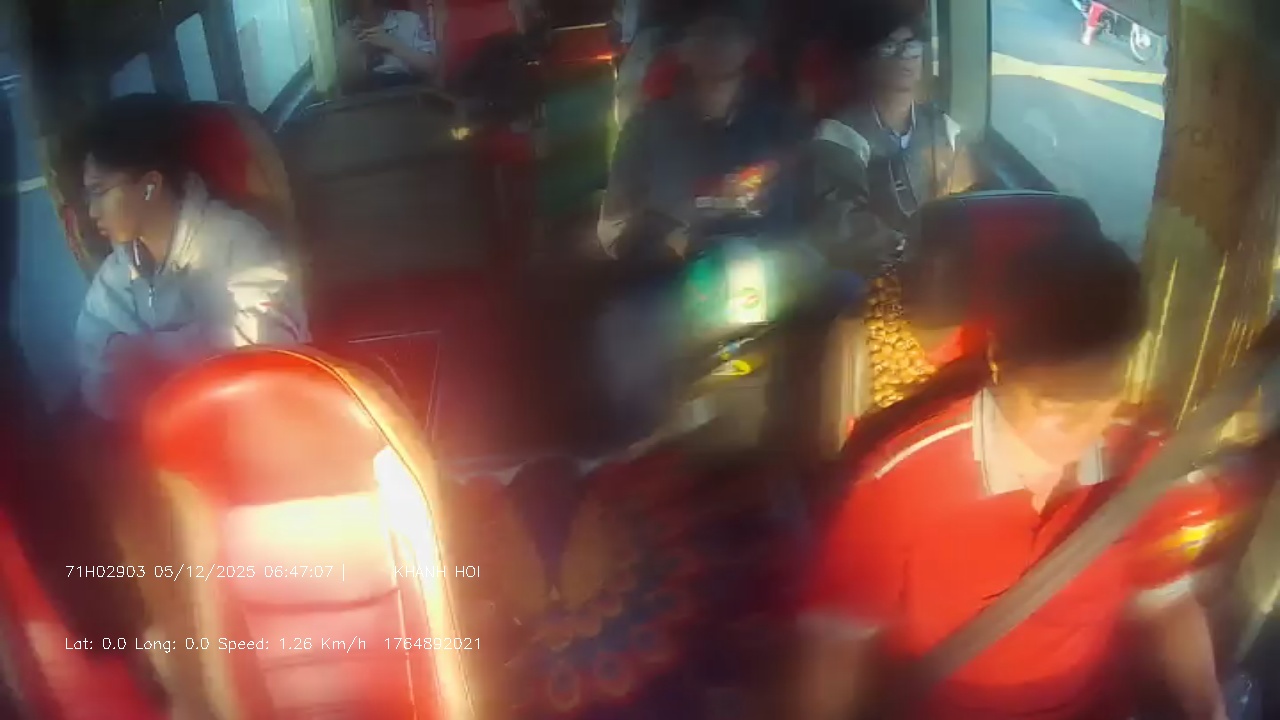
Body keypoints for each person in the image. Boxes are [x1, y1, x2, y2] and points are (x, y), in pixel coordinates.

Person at [791, 235, 1228, 720]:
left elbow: (1167, 601)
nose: (1079, 431)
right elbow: (837, 644)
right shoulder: (901, 479)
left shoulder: (1144, 458)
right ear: (997, 360)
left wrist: (1209, 707)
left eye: (1099, 401)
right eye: (1050, 407)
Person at [74, 93, 309, 422]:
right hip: (163, 430)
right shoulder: (116, 274)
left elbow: (273, 346)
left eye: (100, 191)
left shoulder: (238, 242)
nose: (92, 211)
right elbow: (93, 367)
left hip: (258, 423)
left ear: (150, 185)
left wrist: (153, 352)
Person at [596, 2, 805, 261]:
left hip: (772, 265)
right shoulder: (646, 126)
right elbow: (615, 226)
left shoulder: (781, 122)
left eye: (725, 32)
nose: (715, 44)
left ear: (749, 44)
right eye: (702, 32)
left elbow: (807, 210)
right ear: (681, 47)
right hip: (673, 271)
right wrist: (666, 240)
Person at [807, 18, 975, 279]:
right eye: (889, 47)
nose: (903, 56)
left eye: (911, 46)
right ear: (868, 60)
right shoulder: (840, 135)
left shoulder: (945, 129)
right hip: (868, 272)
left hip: (936, 267)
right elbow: (841, 222)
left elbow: (967, 203)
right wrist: (907, 248)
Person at [336, 0, 438, 92]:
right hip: (365, 95)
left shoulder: (409, 20)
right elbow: (345, 84)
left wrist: (392, 45)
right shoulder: (344, 32)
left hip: (406, 92)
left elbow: (431, 67)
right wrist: (357, 53)